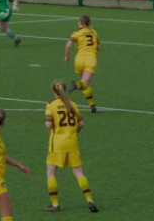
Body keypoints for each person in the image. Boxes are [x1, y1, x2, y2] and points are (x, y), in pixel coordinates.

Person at [44, 80, 99, 213]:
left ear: (54, 91)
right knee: (79, 172)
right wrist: (72, 133)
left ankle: (55, 204)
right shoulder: (72, 104)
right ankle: (90, 200)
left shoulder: (51, 105)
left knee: (51, 173)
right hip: (72, 142)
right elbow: (81, 124)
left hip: (57, 144)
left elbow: (48, 125)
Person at [64, 15, 99, 113]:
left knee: (86, 84)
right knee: (84, 83)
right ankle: (76, 85)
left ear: (80, 23)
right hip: (90, 60)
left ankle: (92, 105)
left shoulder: (76, 33)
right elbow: (98, 47)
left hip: (79, 60)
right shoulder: (94, 32)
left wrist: (67, 56)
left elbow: (68, 45)